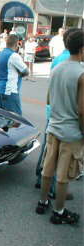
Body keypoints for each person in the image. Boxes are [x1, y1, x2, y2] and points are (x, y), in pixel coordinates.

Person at [35, 30, 84, 225]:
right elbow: (82, 110)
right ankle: (59, 211)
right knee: (63, 175)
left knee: (48, 169)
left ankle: (42, 201)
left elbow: (49, 99)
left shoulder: (56, 68)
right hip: (70, 131)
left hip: (53, 127)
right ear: (81, 49)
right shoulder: (81, 74)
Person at [0, 35, 29, 115]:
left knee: (1, 115)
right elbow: (26, 71)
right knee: (16, 118)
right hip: (10, 90)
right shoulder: (14, 56)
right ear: (17, 44)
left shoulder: (1, 53)